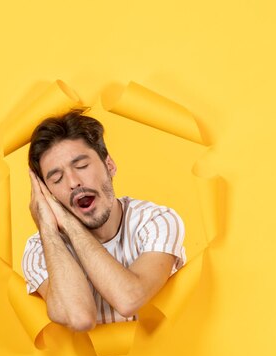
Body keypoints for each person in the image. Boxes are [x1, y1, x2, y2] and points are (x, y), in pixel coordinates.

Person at [21, 108, 186, 332]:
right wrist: (51, 228)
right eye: (57, 178)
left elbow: (129, 299)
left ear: (110, 165)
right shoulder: (40, 250)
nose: (73, 182)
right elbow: (80, 318)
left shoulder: (157, 221)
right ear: (47, 194)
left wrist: (67, 221)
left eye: (81, 166)